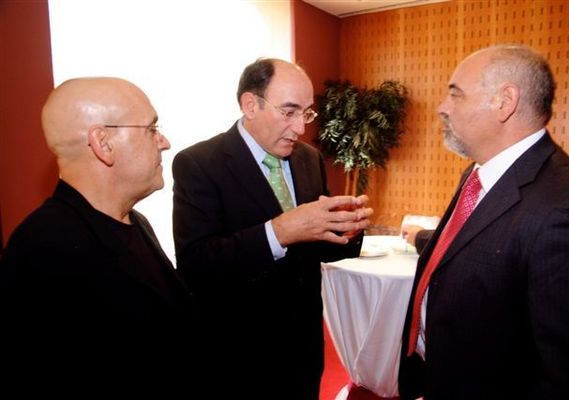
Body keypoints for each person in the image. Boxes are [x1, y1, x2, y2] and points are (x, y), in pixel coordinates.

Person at [398, 44, 569, 399]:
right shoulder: (478, 173)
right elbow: (472, 247)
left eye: (455, 94)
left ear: (505, 102)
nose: (442, 107)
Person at [172, 58, 373, 399]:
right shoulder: (199, 163)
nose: (300, 128)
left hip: (304, 346)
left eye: (307, 113)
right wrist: (278, 232)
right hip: (238, 352)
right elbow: (197, 264)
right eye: (289, 112)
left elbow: (313, 244)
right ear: (250, 104)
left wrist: (345, 231)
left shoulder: (309, 158)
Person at [1, 77, 197, 383]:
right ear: (103, 144)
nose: (164, 142)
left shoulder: (135, 221)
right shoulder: (43, 247)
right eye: (151, 129)